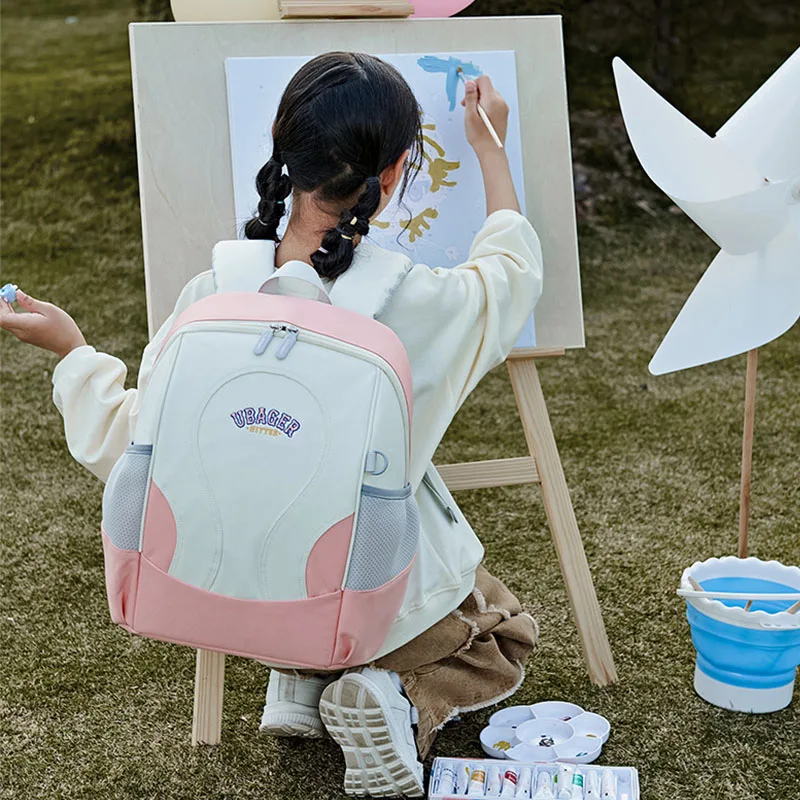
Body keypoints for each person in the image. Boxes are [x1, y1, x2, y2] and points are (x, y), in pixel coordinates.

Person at [0, 52, 542, 798]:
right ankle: (387, 695)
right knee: (500, 631)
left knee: (277, 500)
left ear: (284, 157)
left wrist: (73, 351)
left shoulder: (207, 296)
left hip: (234, 587)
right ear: (392, 176)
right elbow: (511, 275)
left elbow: (129, 446)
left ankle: (296, 679)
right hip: (362, 597)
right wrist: (490, 148)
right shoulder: (422, 303)